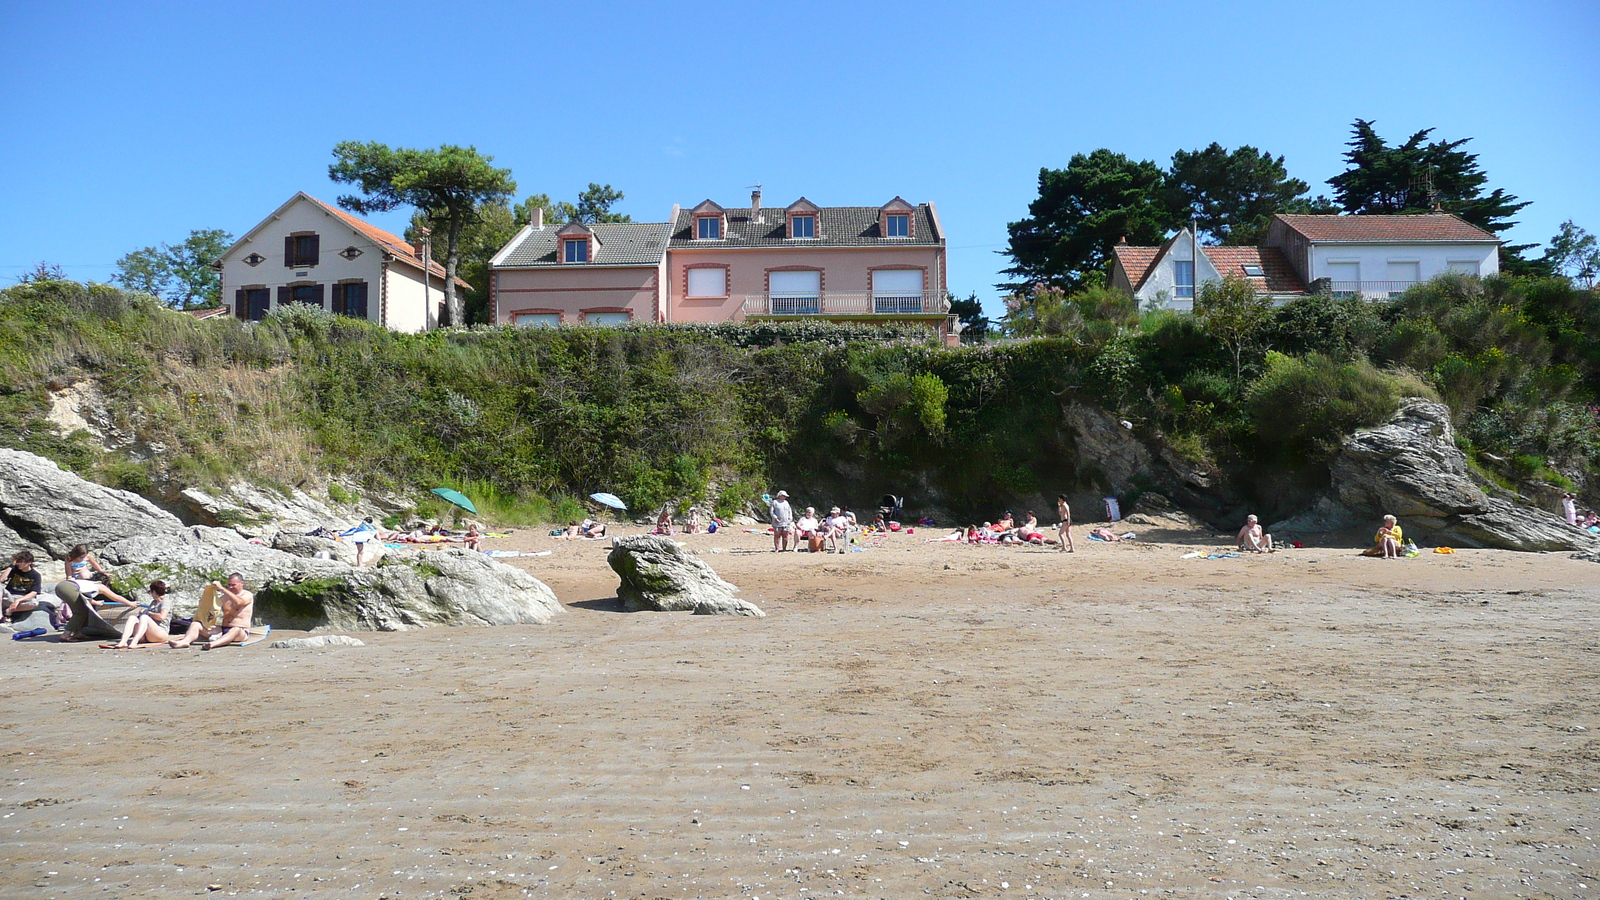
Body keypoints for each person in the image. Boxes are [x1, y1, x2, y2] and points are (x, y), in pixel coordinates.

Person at [169, 573, 254, 650]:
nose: (230, 587)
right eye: (229, 585)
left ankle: (213, 644)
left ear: (241, 583)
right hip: (223, 629)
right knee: (196, 624)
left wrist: (221, 588)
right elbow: (212, 608)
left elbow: (239, 602)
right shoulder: (225, 597)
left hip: (241, 630)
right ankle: (185, 641)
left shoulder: (247, 595)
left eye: (233, 585)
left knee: (235, 629)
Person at [106, 580, 174, 649]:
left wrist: (148, 613)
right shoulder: (154, 602)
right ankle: (123, 641)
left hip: (161, 632)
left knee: (145, 617)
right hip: (148, 634)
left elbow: (162, 617)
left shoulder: (166, 602)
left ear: (154, 592)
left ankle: (134, 642)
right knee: (132, 618)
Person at [64, 544, 133, 606]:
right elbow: (68, 572)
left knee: (85, 575)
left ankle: (91, 598)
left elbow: (95, 564)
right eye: (80, 557)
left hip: (84, 574)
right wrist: (70, 579)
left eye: (83, 557)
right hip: (74, 575)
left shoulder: (87, 557)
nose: (82, 559)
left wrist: (104, 573)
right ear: (76, 554)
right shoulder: (69, 558)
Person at [1, 550, 45, 620]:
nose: (18, 564)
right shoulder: (14, 569)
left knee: (34, 603)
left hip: (22, 598)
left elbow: (34, 592)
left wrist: (18, 600)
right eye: (18, 561)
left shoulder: (35, 575)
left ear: (29, 563)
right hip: (9, 596)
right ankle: (1, 616)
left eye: (21, 562)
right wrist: (11, 565)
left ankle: (8, 611)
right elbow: (2, 579)